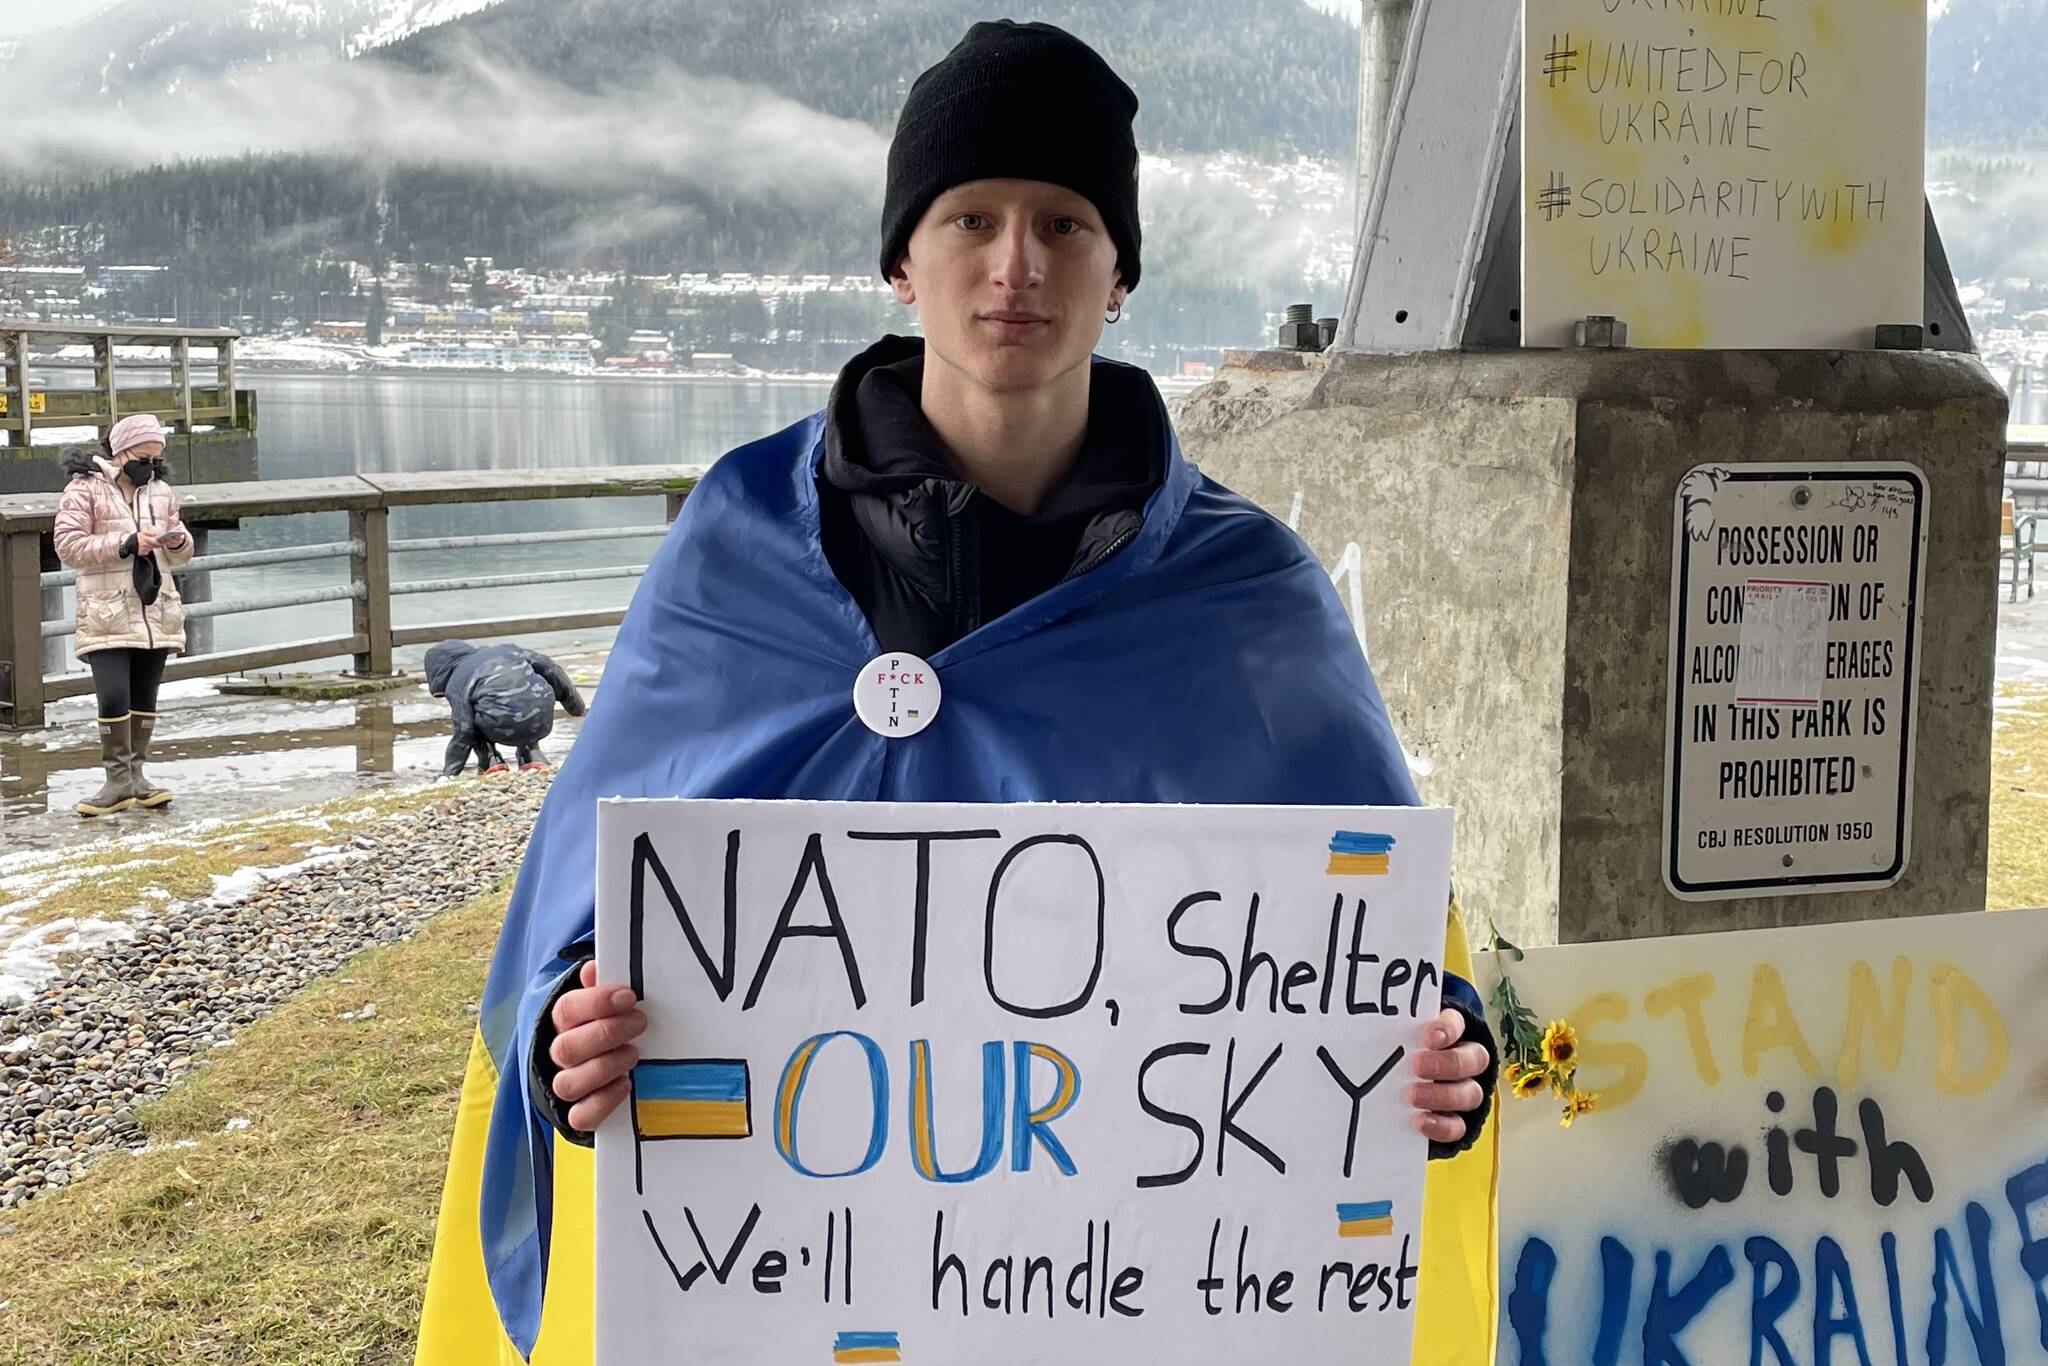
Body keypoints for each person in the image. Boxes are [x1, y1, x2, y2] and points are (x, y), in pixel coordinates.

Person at [417, 22, 1498, 1366]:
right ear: (900, 260)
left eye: (1065, 222)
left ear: (1120, 277)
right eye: (971, 215)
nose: (1015, 265)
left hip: (1115, 1297)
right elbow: (589, 899)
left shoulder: (1246, 593)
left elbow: (1375, 949)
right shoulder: (742, 540)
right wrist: (569, 1032)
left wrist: (1447, 1065)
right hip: (785, 1283)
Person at [51, 414, 194, 817]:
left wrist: (179, 541)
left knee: (145, 695)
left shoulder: (161, 491)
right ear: (121, 450)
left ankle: (136, 777)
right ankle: (116, 781)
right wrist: (127, 542)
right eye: (143, 457)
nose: (150, 466)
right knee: (113, 693)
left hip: (155, 607)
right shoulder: (83, 489)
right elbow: (68, 546)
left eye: (156, 458)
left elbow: (180, 550)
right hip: (106, 611)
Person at [423, 640, 587, 776]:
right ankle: (532, 755)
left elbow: (464, 731)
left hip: (501, 729)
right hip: (541, 720)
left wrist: (450, 773)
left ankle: (490, 760)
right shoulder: (509, 650)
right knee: (526, 698)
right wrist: (576, 707)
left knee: (476, 714)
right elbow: (553, 670)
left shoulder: (456, 681)